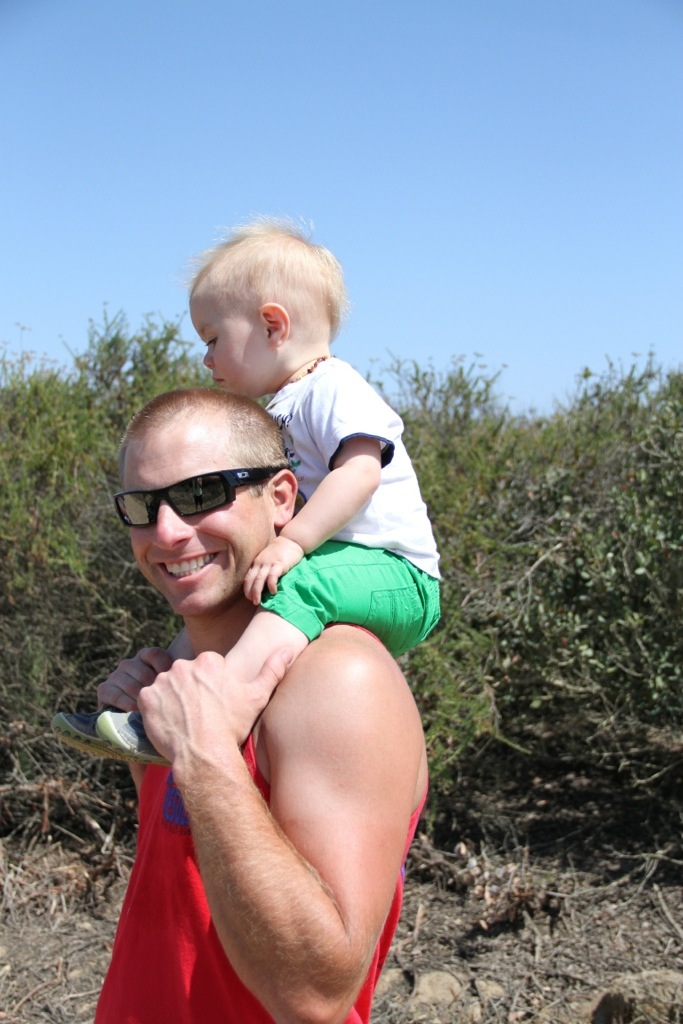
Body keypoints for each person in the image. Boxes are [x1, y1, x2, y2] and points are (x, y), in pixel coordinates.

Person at [91, 387, 429, 1024]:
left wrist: (201, 752)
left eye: (201, 494)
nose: (167, 532)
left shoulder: (340, 678)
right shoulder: (192, 682)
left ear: (280, 497)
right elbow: (191, 890)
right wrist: (149, 748)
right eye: (142, 506)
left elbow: (314, 996)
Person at [52, 219, 440, 763]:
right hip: (343, 567)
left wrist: (293, 542)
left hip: (399, 575)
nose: (207, 359)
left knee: (297, 583)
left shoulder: (333, 387)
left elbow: (360, 473)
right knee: (227, 603)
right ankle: (148, 709)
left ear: (273, 325)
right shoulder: (285, 404)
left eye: (213, 339)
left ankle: (222, 711)